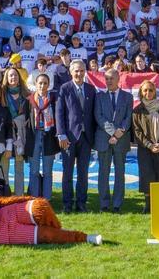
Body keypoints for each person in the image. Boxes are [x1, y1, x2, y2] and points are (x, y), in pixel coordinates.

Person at [55, 59, 95, 212]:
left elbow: (92, 113)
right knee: (67, 173)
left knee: (83, 173)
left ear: (85, 72)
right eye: (76, 71)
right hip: (69, 138)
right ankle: (67, 203)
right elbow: (59, 113)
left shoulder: (91, 89)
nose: (79, 73)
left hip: (86, 137)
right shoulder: (64, 88)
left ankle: (81, 203)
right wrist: (61, 135)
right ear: (71, 72)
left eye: (81, 70)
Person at [94, 68, 132, 213]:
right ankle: (104, 204)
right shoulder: (99, 97)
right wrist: (112, 133)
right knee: (103, 172)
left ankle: (117, 204)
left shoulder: (127, 97)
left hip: (121, 140)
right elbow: (99, 116)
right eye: (107, 78)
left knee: (120, 173)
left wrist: (118, 134)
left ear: (118, 79)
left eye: (111, 78)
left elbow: (128, 118)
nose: (109, 81)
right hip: (104, 140)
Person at [132, 79, 159, 213]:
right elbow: (137, 131)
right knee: (147, 175)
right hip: (145, 148)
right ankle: (148, 205)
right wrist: (149, 145)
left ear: (155, 92)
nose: (148, 92)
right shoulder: (137, 110)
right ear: (141, 93)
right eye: (145, 90)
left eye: (151, 90)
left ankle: (158, 204)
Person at [27, 73, 59, 201]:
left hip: (48, 136)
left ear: (48, 85)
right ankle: (34, 199)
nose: (42, 85)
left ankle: (47, 200)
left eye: (45, 83)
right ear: (36, 84)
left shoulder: (53, 100)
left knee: (47, 171)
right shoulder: (29, 100)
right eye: (40, 83)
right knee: (34, 170)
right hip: (34, 137)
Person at [2, 67, 32, 198]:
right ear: (6, 79)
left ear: (19, 78)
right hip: (5, 134)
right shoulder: (1, 94)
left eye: (15, 75)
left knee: (19, 166)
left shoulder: (26, 94)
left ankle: (19, 195)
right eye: (10, 76)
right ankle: (5, 194)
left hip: (21, 135)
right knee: (4, 165)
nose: (13, 78)